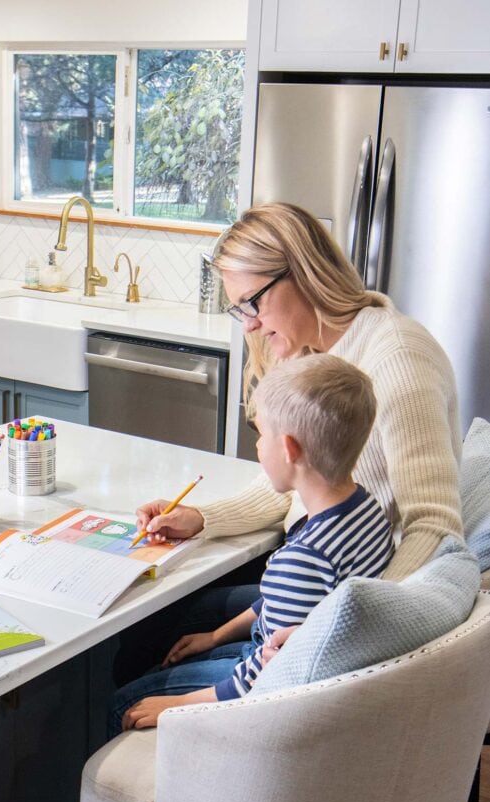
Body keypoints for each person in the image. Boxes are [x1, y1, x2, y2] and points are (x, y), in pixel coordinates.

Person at [136, 202, 463, 586]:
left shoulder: (399, 361)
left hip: (355, 593)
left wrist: (352, 620)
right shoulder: (311, 352)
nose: (250, 326)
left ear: (304, 275)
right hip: (319, 576)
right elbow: (297, 480)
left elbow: (434, 525)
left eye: (252, 302)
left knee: (160, 628)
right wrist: (202, 518)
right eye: (240, 310)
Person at [111, 354, 394, 733]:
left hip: (270, 681)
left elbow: (264, 677)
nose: (258, 446)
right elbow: (284, 604)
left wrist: (176, 705)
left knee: (124, 705)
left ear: (290, 449)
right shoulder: (365, 507)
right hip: (286, 651)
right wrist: (215, 636)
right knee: (182, 642)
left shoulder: (304, 558)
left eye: (261, 435)